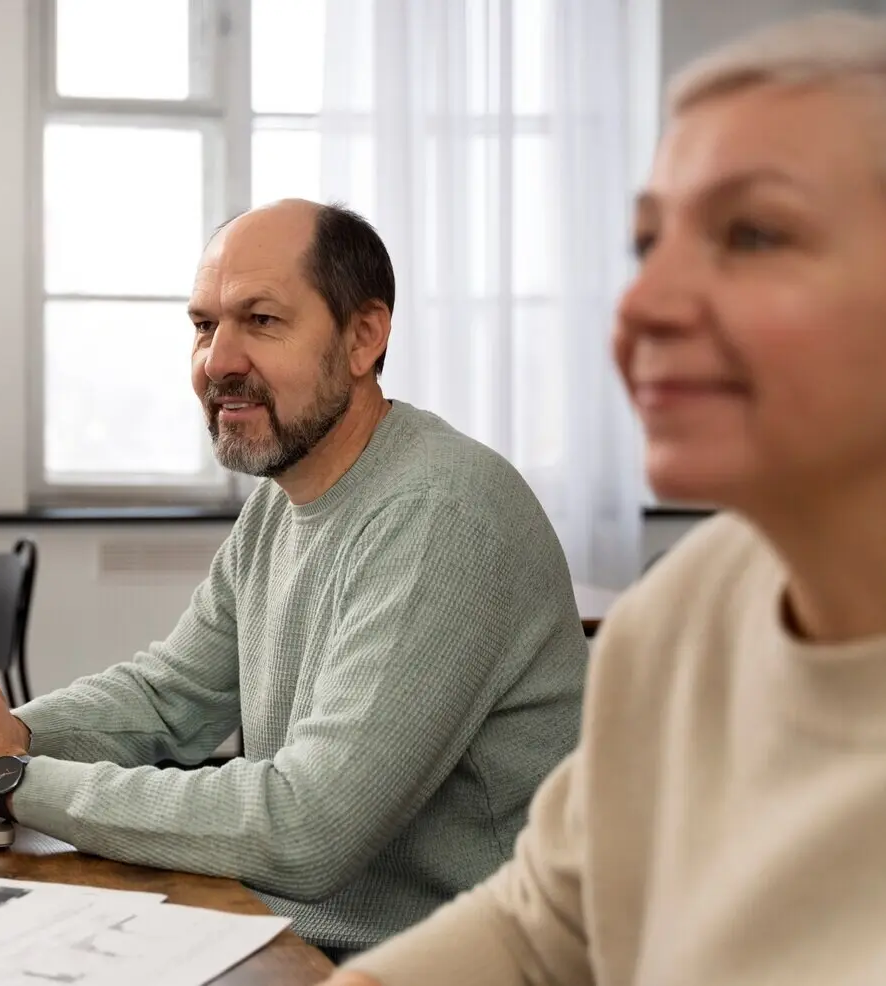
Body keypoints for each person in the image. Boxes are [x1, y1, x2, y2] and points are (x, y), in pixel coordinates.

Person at [326, 11, 886, 985]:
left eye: (752, 233)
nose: (641, 305)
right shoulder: (680, 611)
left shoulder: (444, 507)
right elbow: (546, 916)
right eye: (646, 245)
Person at [0, 198, 588, 954]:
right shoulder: (281, 502)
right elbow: (170, 697)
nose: (217, 361)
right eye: (203, 326)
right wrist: (11, 731)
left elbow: (307, 826)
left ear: (364, 338)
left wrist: (10, 777)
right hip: (291, 936)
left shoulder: (441, 512)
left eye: (261, 320)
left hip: (429, 966)